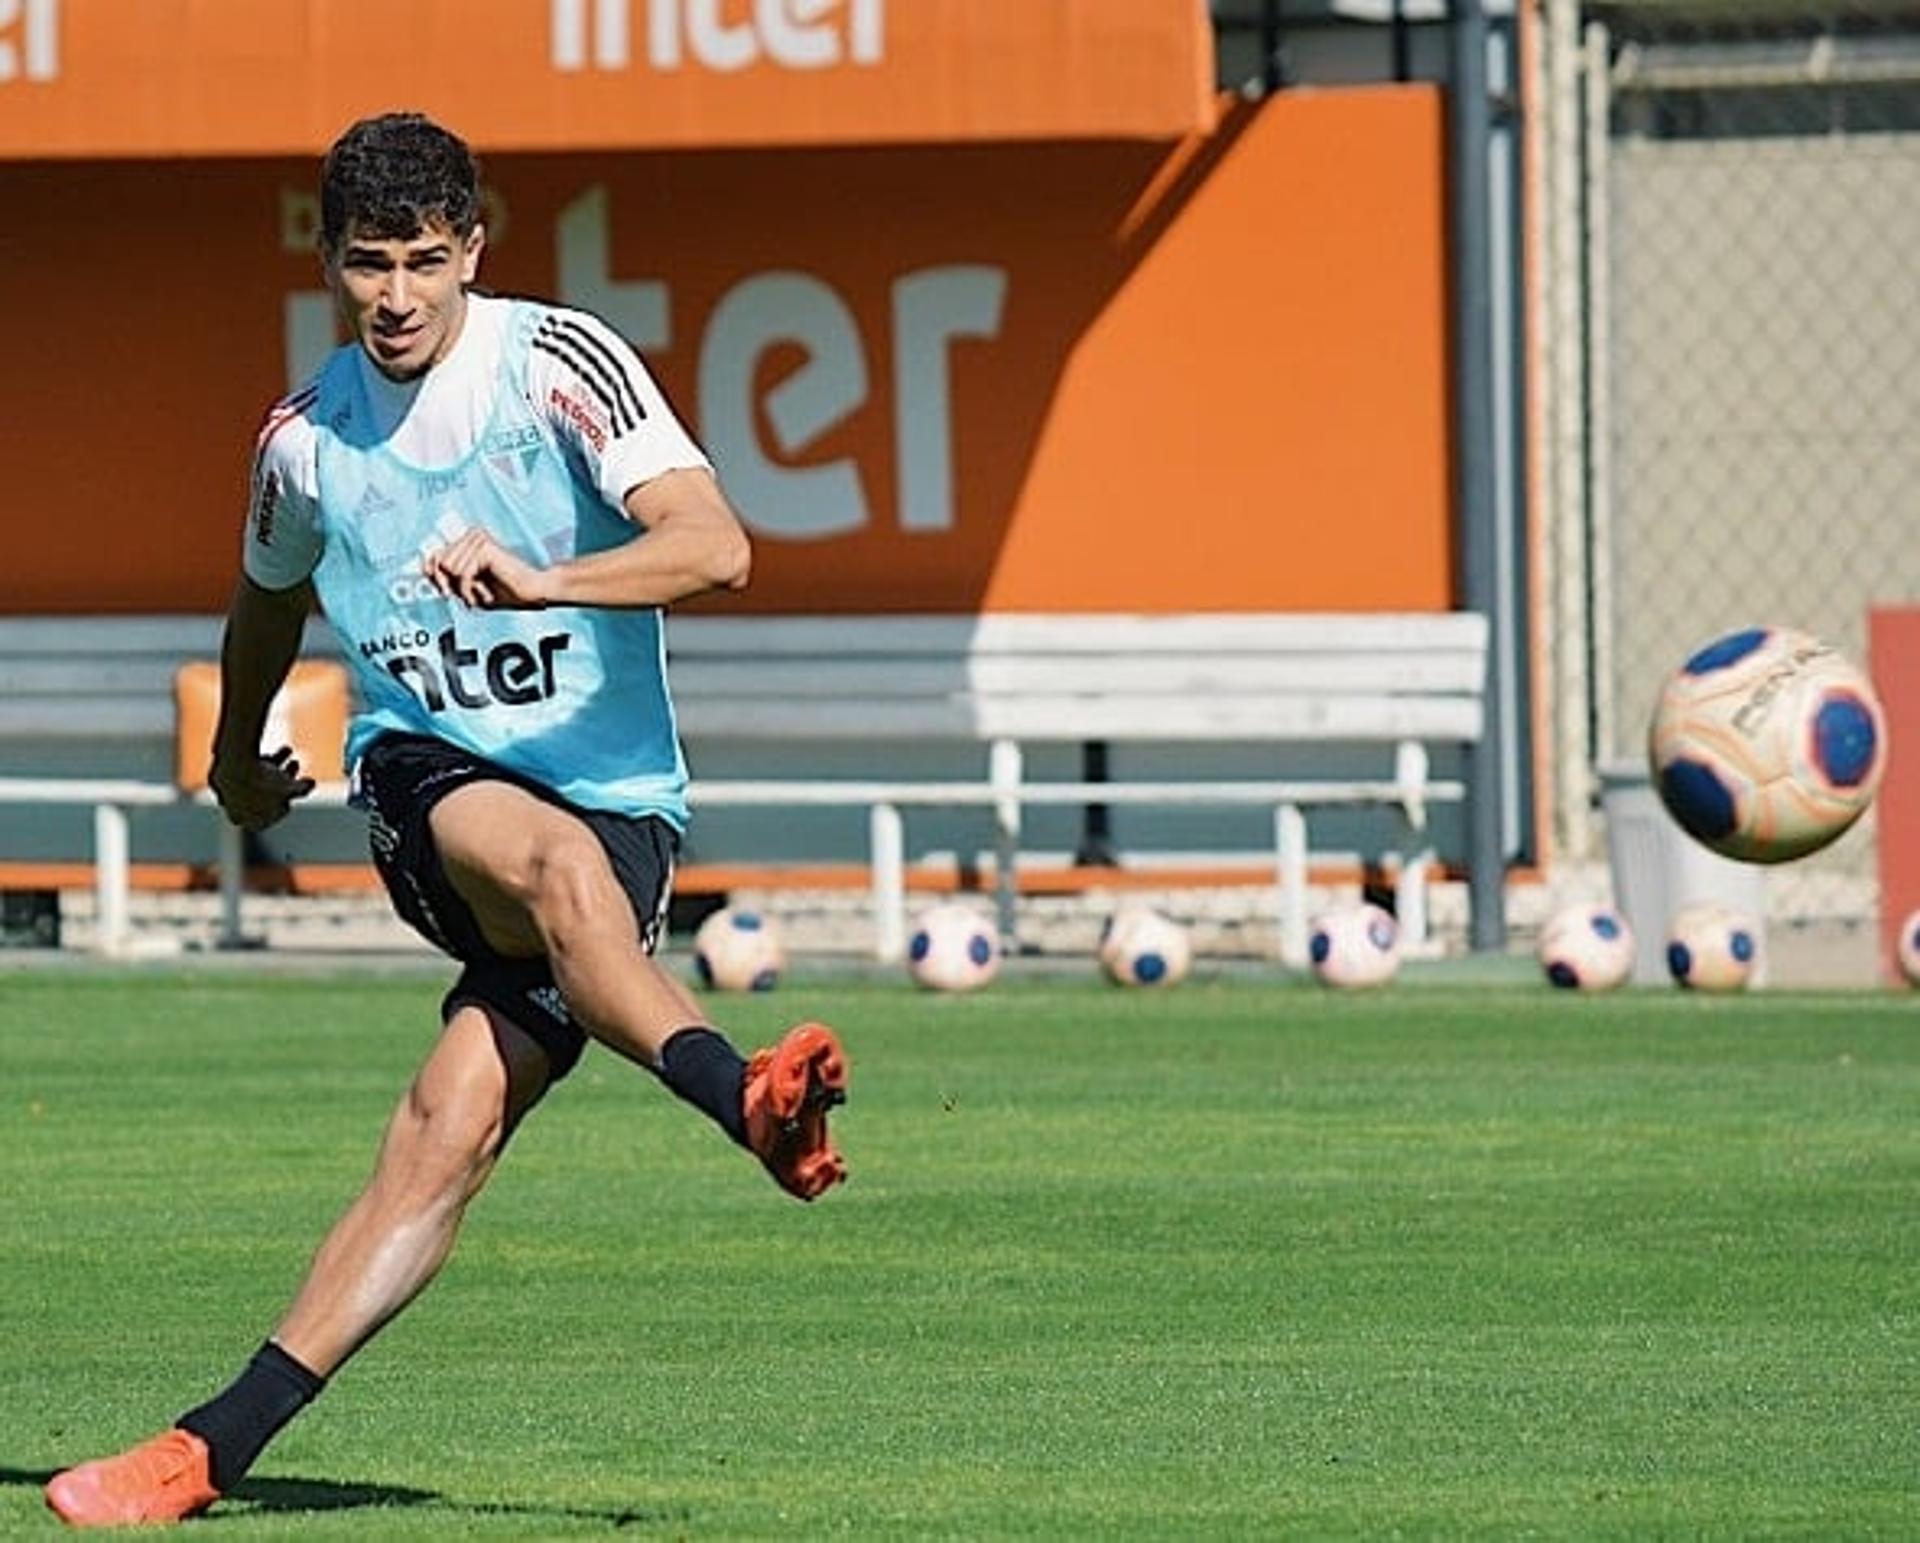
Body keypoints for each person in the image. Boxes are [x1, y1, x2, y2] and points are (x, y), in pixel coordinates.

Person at [45, 111, 848, 1530]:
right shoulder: (304, 444)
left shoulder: (560, 369)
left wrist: (547, 581)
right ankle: (743, 1097)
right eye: (370, 265)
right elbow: (264, 600)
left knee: (445, 1128)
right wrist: (239, 758)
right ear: (327, 265)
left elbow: (715, 547)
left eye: (425, 260)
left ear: (474, 248)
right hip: (429, 787)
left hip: (624, 814)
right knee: (541, 866)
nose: (399, 295)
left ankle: (202, 1452)